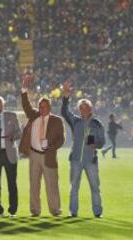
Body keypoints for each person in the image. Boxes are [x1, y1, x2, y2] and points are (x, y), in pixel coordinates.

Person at [19, 73, 65, 217]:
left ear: (49, 107)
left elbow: (61, 139)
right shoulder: (34, 115)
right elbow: (25, 104)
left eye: (45, 106)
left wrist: (50, 146)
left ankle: (55, 209)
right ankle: (35, 210)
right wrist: (24, 87)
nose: (42, 109)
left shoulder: (57, 120)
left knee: (52, 185)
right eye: (40, 106)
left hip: (49, 155)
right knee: (34, 185)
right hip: (34, 155)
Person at [61, 81, 105, 218]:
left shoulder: (96, 123)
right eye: (81, 108)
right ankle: (73, 212)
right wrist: (66, 96)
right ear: (79, 109)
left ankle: (97, 212)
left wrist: (95, 144)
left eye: (86, 108)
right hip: (75, 160)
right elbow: (64, 112)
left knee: (95, 188)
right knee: (74, 188)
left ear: (90, 109)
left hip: (90, 161)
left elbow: (102, 142)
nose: (83, 110)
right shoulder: (75, 121)